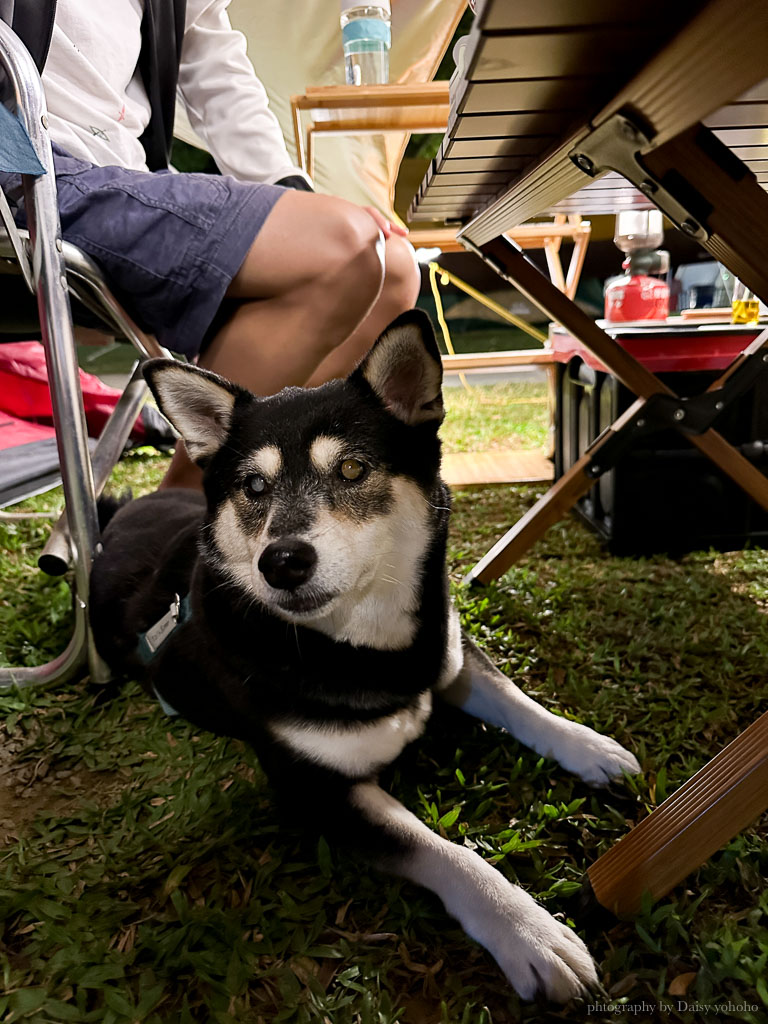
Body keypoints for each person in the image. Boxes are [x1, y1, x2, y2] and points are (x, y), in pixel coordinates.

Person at [0, 0, 421, 489]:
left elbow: (216, 70)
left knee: (392, 266)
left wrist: (298, 199)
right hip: (31, 171)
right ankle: (187, 514)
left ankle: (186, 502)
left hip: (125, 174)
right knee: (340, 249)